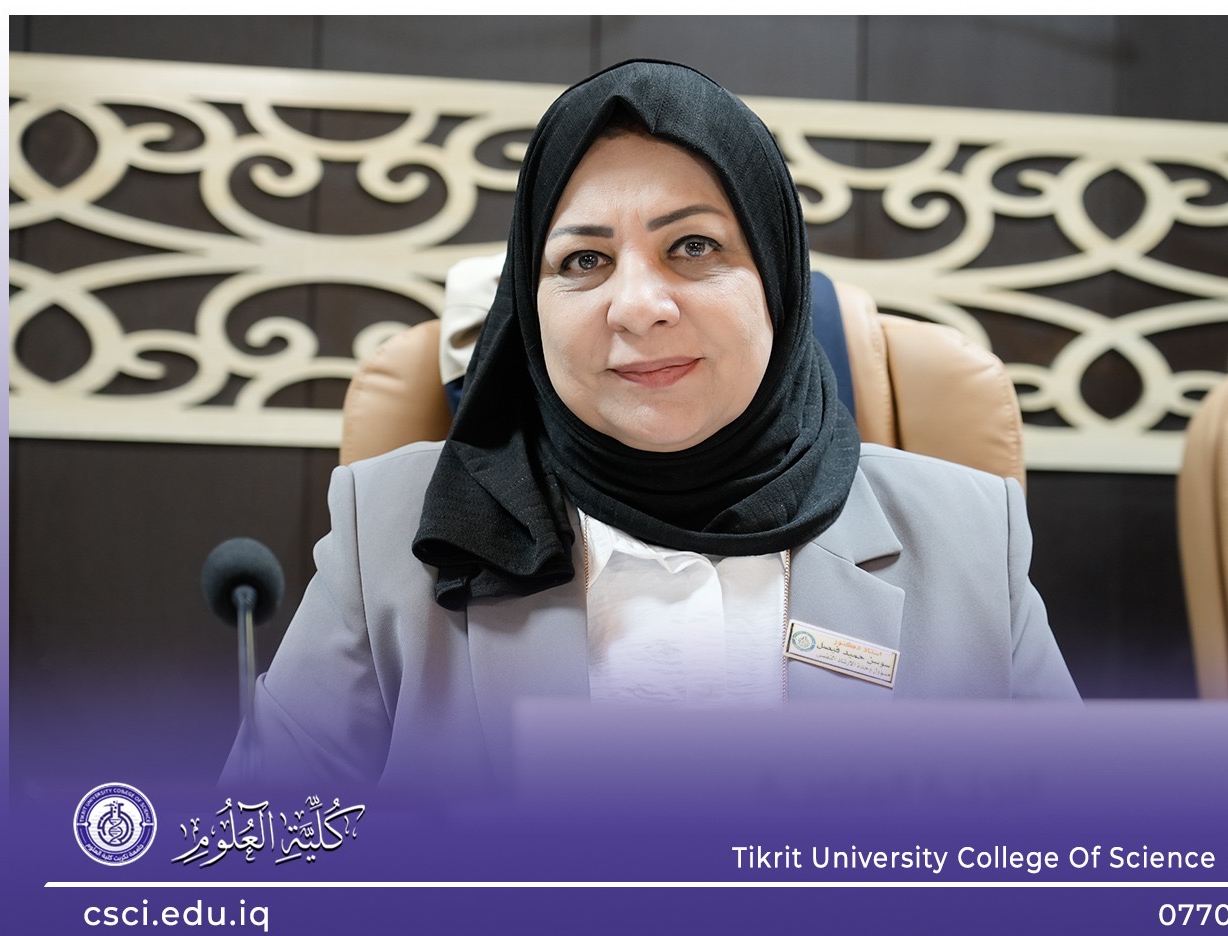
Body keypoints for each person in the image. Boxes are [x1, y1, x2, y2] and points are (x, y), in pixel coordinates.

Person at [224, 59, 1077, 797]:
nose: (637, 305)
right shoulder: (387, 529)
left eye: (694, 247)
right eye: (584, 260)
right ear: (530, 306)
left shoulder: (970, 537)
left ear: (776, 277)